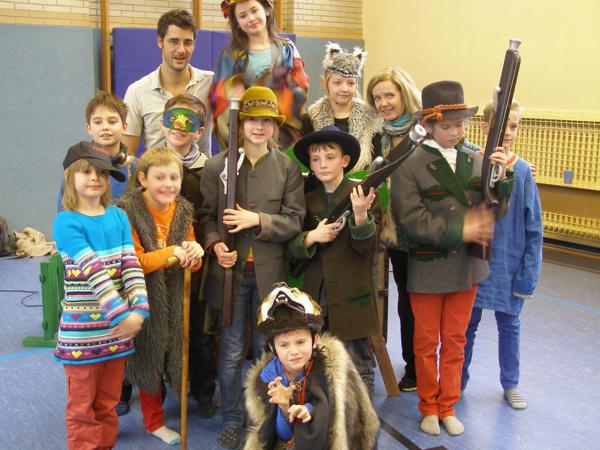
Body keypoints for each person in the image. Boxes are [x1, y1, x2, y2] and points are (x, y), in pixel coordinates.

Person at [390, 80, 513, 436]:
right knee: (426, 343)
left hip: (465, 268)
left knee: (457, 341)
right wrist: (462, 229)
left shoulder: (476, 161)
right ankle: (428, 406)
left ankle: (448, 405)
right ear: (428, 125)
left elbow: (495, 210)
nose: (457, 132)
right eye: (448, 126)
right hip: (428, 267)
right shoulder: (409, 164)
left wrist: (502, 179)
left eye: (461, 125)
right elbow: (412, 220)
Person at [198, 86, 305, 449]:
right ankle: (231, 418)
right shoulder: (217, 167)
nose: (259, 127)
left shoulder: (288, 167)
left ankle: (263, 417)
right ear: (240, 125)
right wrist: (216, 246)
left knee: (266, 349)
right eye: (252, 120)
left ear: (275, 127)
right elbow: (205, 217)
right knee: (230, 350)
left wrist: (257, 219)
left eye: (267, 121)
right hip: (229, 274)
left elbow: (294, 221)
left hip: (270, 276)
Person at [53, 142, 149, 450]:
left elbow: (130, 265)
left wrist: (140, 308)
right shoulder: (66, 221)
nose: (95, 178)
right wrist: (123, 315)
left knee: (107, 405)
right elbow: (93, 271)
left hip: (116, 338)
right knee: (82, 409)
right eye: (86, 172)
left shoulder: (118, 216)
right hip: (81, 339)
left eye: (102, 173)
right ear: (70, 178)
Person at [119, 147, 204, 445]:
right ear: (143, 179)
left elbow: (191, 259)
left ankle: (157, 412)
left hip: (173, 296)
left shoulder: (183, 210)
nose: (168, 184)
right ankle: (152, 420)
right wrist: (173, 252)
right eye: (160, 177)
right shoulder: (128, 211)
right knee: (146, 356)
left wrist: (195, 253)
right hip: (138, 296)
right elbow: (135, 261)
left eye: (174, 177)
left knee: (168, 353)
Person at [461, 100, 543, 410]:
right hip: (475, 263)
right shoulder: (471, 164)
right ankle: (458, 381)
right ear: (485, 128)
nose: (508, 132)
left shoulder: (522, 172)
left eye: (514, 125)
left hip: (508, 266)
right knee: (466, 326)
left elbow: (534, 227)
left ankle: (511, 383)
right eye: (501, 125)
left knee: (509, 326)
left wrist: (527, 275)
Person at [288, 126, 380, 396]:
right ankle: (324, 416)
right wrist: (310, 237)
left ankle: (361, 419)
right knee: (317, 364)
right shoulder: (305, 200)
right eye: (316, 159)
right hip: (316, 295)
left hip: (353, 295)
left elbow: (366, 248)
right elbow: (291, 247)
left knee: (358, 365)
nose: (322, 164)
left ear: (345, 161)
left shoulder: (362, 195)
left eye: (330, 157)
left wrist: (361, 216)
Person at [244, 283, 380, 449]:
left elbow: (351, 425)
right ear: (272, 348)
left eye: (301, 342)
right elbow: (280, 435)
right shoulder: (268, 378)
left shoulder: (332, 372)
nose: (294, 351)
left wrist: (311, 411)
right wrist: (284, 407)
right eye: (284, 345)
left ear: (315, 340)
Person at [161, 93, 218, 418]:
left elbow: (211, 214)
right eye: (174, 119)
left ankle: (203, 389)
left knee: (199, 332)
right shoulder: (150, 166)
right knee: (160, 328)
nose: (180, 126)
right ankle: (157, 386)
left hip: (196, 265)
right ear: (163, 124)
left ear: (199, 130)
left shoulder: (207, 170)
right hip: (158, 262)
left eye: (189, 121)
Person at [366, 68, 422, 392]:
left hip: (426, 231)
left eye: (390, 95)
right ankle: (413, 366)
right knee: (406, 302)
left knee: (427, 302)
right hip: (396, 234)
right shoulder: (379, 137)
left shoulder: (425, 131)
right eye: (378, 98)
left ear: (404, 94)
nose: (384, 103)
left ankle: (430, 365)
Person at [211, 0, 309, 151]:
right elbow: (219, 100)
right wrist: (232, 94)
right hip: (244, 136)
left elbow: (300, 87)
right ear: (237, 23)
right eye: (243, 15)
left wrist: (280, 93)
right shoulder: (230, 57)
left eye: (254, 10)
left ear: (267, 10)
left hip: (281, 133)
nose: (251, 18)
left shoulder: (287, 50)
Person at [123, 9, 213, 157]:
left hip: (202, 171)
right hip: (158, 170)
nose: (181, 50)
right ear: (160, 41)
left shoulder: (211, 83)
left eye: (188, 42)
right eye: (174, 41)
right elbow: (128, 155)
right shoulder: (137, 91)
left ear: (194, 44)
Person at [302, 43, 381, 172]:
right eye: (337, 83)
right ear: (325, 83)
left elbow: (377, 162)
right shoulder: (312, 117)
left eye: (351, 83)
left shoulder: (370, 118)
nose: (344, 89)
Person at [57, 91, 135, 211]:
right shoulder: (75, 169)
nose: (105, 127)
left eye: (112, 122)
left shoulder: (137, 168)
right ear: (89, 128)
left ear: (124, 127)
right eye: (98, 122)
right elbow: (64, 212)